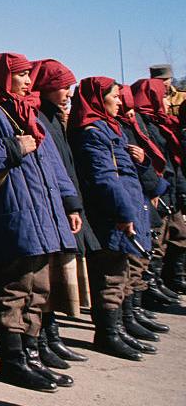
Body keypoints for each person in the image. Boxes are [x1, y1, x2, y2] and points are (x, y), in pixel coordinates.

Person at [0, 52, 81, 393]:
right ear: (3, 77)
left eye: (29, 75)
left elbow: (54, 165)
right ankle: (12, 360)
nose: (29, 82)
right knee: (15, 289)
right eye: (22, 75)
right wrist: (12, 147)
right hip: (14, 213)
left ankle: (31, 354)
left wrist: (69, 202)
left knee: (39, 289)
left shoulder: (28, 112)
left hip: (43, 213)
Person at [68, 77, 154, 361]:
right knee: (111, 275)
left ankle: (122, 325)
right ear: (98, 99)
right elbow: (104, 177)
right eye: (114, 96)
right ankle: (108, 333)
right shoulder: (92, 132)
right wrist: (123, 212)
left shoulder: (108, 127)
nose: (120, 101)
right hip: (111, 215)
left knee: (124, 271)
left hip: (124, 208)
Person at [30, 59, 95, 367]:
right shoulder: (37, 117)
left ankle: (51, 337)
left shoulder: (54, 118)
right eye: (62, 87)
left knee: (52, 279)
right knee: (43, 279)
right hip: (46, 205)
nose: (68, 93)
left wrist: (72, 203)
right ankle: (42, 340)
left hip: (60, 202)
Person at [131, 78, 186, 297]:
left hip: (169, 187)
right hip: (156, 190)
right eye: (161, 95)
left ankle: (171, 277)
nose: (166, 100)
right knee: (156, 240)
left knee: (177, 235)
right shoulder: (141, 122)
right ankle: (151, 286)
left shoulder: (160, 122)